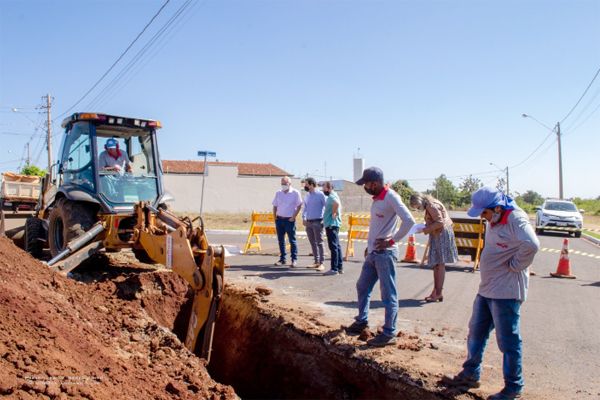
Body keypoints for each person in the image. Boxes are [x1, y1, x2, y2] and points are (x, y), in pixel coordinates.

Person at [442, 187, 539, 400]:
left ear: (497, 207)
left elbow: (532, 244)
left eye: (484, 213)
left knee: (508, 341)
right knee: (475, 332)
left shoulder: (516, 218)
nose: (482, 217)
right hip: (487, 288)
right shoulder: (495, 217)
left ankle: (513, 387)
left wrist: (515, 265)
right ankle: (470, 374)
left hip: (506, 291)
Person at [344, 167, 415, 347]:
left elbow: (409, 221)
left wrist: (391, 241)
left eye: (366, 184)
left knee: (388, 293)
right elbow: (377, 225)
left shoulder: (391, 197)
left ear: (374, 183)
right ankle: (362, 321)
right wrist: (369, 247)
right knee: (362, 286)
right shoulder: (377, 199)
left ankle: (389, 332)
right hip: (374, 253)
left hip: (385, 254)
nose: (365, 187)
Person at [409, 193, 458, 303]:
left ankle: (438, 293)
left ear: (420, 201)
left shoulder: (431, 205)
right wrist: (426, 226)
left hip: (441, 235)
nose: (417, 209)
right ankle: (436, 292)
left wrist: (424, 230)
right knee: (437, 264)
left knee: (439, 264)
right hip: (439, 234)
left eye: (417, 206)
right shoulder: (431, 204)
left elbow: (440, 222)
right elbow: (436, 220)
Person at [272, 176, 303, 267]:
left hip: (289, 220)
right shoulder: (278, 193)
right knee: (281, 240)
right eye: (282, 184)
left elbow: (299, 206)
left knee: (292, 241)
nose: (283, 185)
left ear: (290, 184)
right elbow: (275, 206)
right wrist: (275, 218)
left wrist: (293, 217)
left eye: (285, 184)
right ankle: (282, 259)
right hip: (279, 219)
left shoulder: (295, 193)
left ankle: (294, 259)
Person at [302, 177, 327, 271]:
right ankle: (316, 262)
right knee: (313, 243)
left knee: (320, 243)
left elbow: (326, 207)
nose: (305, 186)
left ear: (312, 184)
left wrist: (324, 219)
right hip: (308, 222)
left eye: (306, 184)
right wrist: (303, 218)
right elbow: (305, 208)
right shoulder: (307, 195)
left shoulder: (321, 194)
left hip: (318, 221)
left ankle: (321, 263)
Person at [322, 181, 343, 275]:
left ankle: (334, 269)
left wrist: (334, 213)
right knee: (337, 246)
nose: (323, 189)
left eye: (324, 187)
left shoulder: (331, 196)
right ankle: (339, 267)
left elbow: (336, 203)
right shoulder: (334, 195)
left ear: (329, 188)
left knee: (333, 247)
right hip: (332, 224)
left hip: (331, 225)